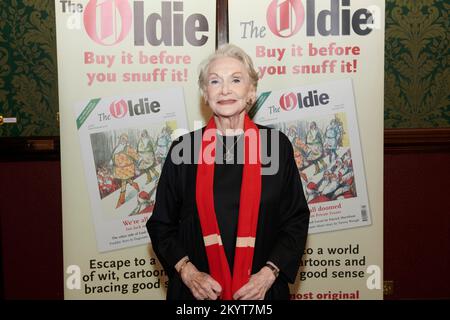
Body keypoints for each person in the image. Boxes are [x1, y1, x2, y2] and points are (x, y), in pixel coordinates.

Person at [146, 44, 310, 300]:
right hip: (197, 295)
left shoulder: (276, 147)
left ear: (251, 91)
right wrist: (188, 273)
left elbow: (295, 221)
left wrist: (269, 274)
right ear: (204, 93)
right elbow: (161, 225)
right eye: (215, 81)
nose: (225, 90)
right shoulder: (183, 150)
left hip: (262, 294)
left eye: (236, 80)